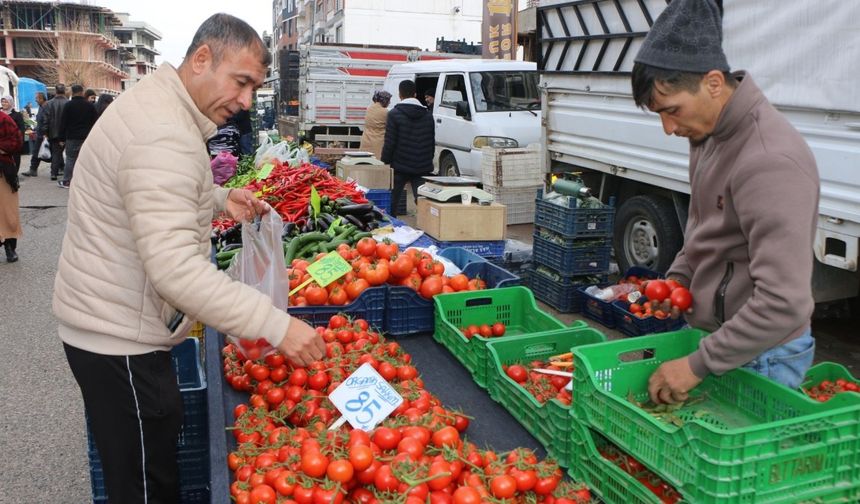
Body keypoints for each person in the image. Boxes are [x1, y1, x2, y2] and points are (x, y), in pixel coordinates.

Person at [52, 13, 325, 503]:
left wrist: (219, 199)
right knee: (144, 485)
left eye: (253, 88)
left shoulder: (161, 109)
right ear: (202, 59)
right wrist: (277, 325)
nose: (245, 102)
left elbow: (144, 191)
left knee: (146, 466)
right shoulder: (164, 133)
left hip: (110, 321)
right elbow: (177, 271)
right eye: (241, 83)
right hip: (119, 339)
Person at [631, 0, 819, 405]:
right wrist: (678, 277)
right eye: (658, 114)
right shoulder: (708, 135)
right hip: (718, 338)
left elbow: (784, 303)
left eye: (672, 110)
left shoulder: (769, 161)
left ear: (714, 83)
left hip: (762, 354)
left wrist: (697, 364)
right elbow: (704, 228)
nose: (668, 128)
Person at [381, 80, 435, 217]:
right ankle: (428, 228)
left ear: (400, 95)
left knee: (393, 199)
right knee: (423, 201)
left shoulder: (394, 114)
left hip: (400, 165)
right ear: (415, 94)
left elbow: (390, 142)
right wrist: (428, 161)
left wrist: (385, 161)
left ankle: (391, 227)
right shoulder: (428, 115)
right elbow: (431, 141)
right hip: (422, 166)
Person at [57, 84, 97, 188]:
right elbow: (95, 121)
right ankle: (87, 182)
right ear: (82, 92)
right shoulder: (89, 106)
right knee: (86, 159)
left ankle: (67, 181)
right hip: (86, 137)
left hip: (72, 137)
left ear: (72, 92)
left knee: (70, 159)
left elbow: (63, 123)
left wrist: (61, 138)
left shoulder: (68, 105)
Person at [0, 108, 23, 262]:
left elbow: (16, 141)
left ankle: (10, 247)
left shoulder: (4, 119)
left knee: (8, 212)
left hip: (3, 171)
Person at [41, 83, 68, 181]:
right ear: (64, 91)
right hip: (67, 132)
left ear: (55, 91)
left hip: (54, 132)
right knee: (69, 154)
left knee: (56, 154)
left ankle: (54, 173)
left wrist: (45, 132)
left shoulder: (49, 103)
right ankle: (68, 173)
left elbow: (46, 119)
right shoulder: (68, 103)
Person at [359, 89, 391, 160]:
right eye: (389, 101)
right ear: (385, 101)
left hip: (366, 140)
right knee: (376, 164)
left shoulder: (369, 109)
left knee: (365, 162)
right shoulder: (385, 112)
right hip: (378, 142)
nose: (389, 103)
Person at [23, 92, 47, 177]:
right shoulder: (41, 107)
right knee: (37, 152)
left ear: (41, 99)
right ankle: (33, 169)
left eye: (36, 98)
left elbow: (45, 121)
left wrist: (44, 132)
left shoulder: (45, 107)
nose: (35, 100)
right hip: (41, 133)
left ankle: (33, 169)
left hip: (43, 134)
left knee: (38, 151)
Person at [1, 95, 26, 171]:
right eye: (2, 101)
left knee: (14, 162)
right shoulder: (0, 114)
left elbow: (21, 129)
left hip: (13, 143)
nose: (3, 103)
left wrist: (20, 143)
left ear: (10, 103)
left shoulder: (17, 115)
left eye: (6, 102)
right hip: (2, 143)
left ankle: (14, 176)